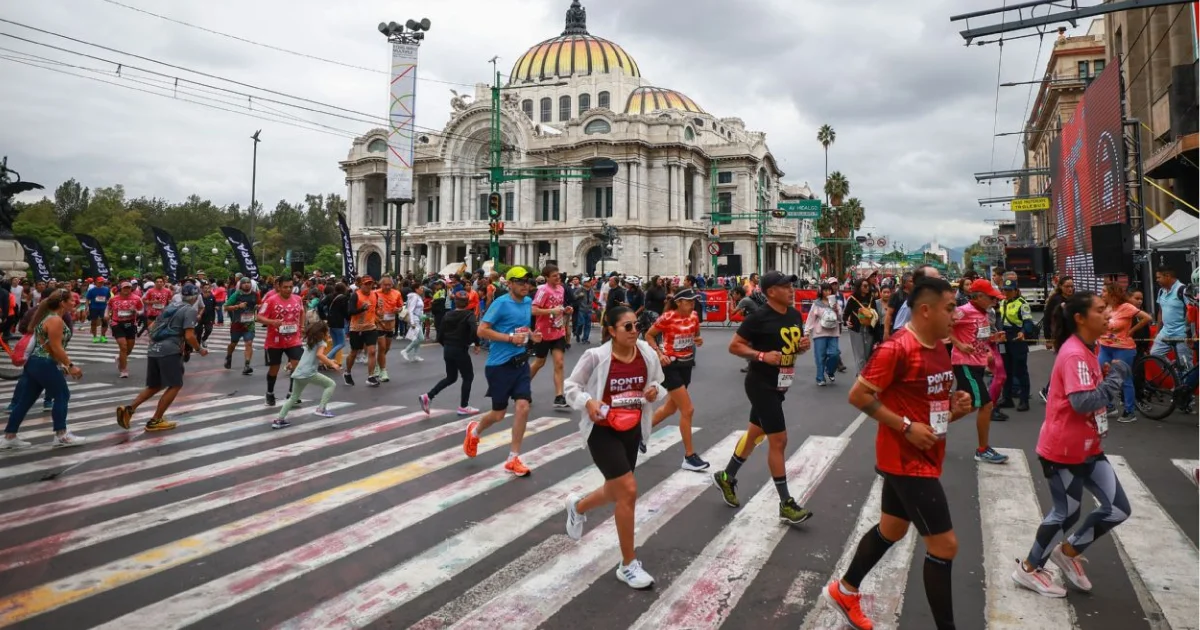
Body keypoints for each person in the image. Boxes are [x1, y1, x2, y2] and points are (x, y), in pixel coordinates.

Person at [827, 277, 975, 630]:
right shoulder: (896, 348)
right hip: (906, 461)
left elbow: (928, 402)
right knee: (945, 547)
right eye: (950, 308)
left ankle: (845, 591)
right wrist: (906, 426)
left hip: (927, 453)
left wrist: (956, 408)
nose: (956, 315)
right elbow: (858, 396)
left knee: (891, 529)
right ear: (925, 310)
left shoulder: (940, 345)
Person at [1012, 291, 1132, 598]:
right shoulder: (1076, 353)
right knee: (1066, 514)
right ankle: (1028, 569)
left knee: (1117, 509)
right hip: (1064, 450)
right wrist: (1115, 377)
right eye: (1101, 310)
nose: (1108, 315)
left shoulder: (1088, 348)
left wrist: (1105, 377)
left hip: (1089, 447)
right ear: (1080, 318)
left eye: (1107, 309)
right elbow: (1083, 402)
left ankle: (1068, 551)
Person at [563, 305, 666, 590]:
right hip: (602, 430)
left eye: (637, 326)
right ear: (610, 330)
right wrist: (588, 402)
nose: (635, 332)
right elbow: (570, 386)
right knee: (629, 491)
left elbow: (658, 382)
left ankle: (578, 506)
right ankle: (628, 564)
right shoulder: (595, 357)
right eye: (628, 327)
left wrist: (654, 391)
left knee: (617, 488)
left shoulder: (645, 352)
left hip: (632, 428)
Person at [712, 271, 814, 525]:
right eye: (785, 287)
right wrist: (760, 356)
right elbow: (734, 346)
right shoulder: (758, 317)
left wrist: (801, 347)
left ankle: (727, 476)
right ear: (771, 292)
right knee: (778, 439)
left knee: (755, 434)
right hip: (760, 384)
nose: (792, 290)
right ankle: (786, 503)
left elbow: (791, 347)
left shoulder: (793, 315)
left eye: (792, 286)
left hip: (781, 384)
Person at [463, 266, 543, 477]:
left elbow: (522, 326)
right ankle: (475, 431)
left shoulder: (527, 302)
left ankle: (513, 457)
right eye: (520, 282)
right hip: (499, 366)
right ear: (509, 284)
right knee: (498, 414)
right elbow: (482, 330)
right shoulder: (501, 304)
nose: (526, 285)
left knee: (523, 407)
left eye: (528, 282)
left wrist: (532, 335)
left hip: (521, 363)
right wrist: (509, 339)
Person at [116, 283, 208, 432]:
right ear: (196, 296)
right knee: (175, 384)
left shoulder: (169, 307)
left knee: (155, 385)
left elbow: (152, 327)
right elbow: (189, 335)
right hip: (170, 351)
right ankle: (155, 420)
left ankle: (129, 409)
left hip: (154, 349)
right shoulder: (190, 310)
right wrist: (199, 349)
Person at [2, 290, 86, 449]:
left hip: (36, 362)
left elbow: (46, 345)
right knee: (62, 395)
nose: (75, 302)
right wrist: (70, 365)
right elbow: (55, 346)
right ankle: (61, 435)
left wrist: (60, 363)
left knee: (26, 400)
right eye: (71, 300)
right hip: (43, 362)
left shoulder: (48, 318)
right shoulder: (55, 320)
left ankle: (9, 436)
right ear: (62, 303)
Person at [645, 287, 708, 471]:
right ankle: (689, 456)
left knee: (670, 408)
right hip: (670, 366)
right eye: (688, 301)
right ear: (679, 302)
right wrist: (659, 353)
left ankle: (640, 434)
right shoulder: (667, 318)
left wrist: (698, 340)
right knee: (687, 410)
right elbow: (649, 335)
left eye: (693, 301)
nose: (692, 304)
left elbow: (696, 335)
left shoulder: (694, 316)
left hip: (686, 365)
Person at [950, 279, 1010, 465]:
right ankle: (983, 449)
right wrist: (959, 344)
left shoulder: (984, 313)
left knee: (970, 406)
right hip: (964, 363)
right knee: (986, 404)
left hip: (976, 363)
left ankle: (933, 426)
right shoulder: (964, 311)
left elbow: (979, 339)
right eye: (991, 298)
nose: (994, 301)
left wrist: (993, 339)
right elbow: (944, 325)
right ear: (979, 296)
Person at [420, 290, 481, 416]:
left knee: (451, 377)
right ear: (468, 302)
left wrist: (446, 345)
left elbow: (440, 335)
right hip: (460, 349)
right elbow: (474, 330)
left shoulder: (447, 315)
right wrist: (474, 343)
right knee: (468, 377)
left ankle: (429, 396)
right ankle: (464, 406)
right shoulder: (469, 315)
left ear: (455, 302)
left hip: (448, 348)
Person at [1098, 282, 1151, 423]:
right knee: (1100, 375)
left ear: (1112, 293)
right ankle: (1109, 406)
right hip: (1105, 347)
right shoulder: (1104, 307)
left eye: (1104, 291)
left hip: (1123, 349)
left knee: (1125, 380)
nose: (1101, 293)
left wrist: (1131, 331)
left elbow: (1147, 318)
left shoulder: (1126, 307)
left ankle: (1129, 411)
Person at [273, 320, 340, 429]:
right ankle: (321, 409)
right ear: (322, 333)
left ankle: (279, 420)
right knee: (330, 384)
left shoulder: (310, 341)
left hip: (298, 373)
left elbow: (314, 357)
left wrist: (329, 360)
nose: (328, 334)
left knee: (293, 397)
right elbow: (319, 355)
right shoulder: (322, 343)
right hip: (309, 373)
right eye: (327, 332)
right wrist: (332, 364)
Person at [257, 276, 306, 406]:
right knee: (275, 368)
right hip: (275, 340)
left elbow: (302, 312)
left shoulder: (298, 299)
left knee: (298, 365)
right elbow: (259, 317)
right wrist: (272, 322)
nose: (288, 289)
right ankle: (270, 392)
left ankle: (292, 393)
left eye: (290, 287)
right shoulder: (271, 300)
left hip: (293, 339)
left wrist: (302, 327)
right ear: (278, 286)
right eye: (285, 287)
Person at [529, 264, 572, 409]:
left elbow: (559, 307)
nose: (558, 278)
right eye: (554, 276)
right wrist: (551, 310)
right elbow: (534, 310)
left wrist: (565, 310)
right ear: (547, 277)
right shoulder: (542, 290)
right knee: (539, 362)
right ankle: (522, 387)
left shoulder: (561, 289)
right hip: (543, 332)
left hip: (558, 331)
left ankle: (559, 396)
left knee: (559, 363)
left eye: (558, 275)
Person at [998, 279, 1037, 411]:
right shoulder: (1002, 302)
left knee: (1021, 371)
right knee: (1006, 371)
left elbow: (1028, 322)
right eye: (1005, 290)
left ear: (1015, 290)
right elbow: (1000, 320)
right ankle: (1007, 398)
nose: (1007, 292)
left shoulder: (1022, 304)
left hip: (1017, 338)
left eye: (1009, 290)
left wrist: (1023, 332)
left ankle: (1024, 400)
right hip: (1005, 338)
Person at [1039, 276, 1075, 402]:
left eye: (1072, 286)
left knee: (1069, 366)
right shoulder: (1056, 299)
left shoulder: (1073, 299)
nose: (1070, 289)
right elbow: (1047, 319)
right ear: (1060, 287)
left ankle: (1064, 391)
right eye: (1067, 286)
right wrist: (1048, 339)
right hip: (1061, 337)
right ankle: (1048, 390)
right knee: (1063, 365)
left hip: (1073, 336)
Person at [344, 276, 381, 387]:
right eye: (366, 284)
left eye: (370, 284)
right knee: (354, 352)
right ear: (361, 285)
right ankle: (347, 372)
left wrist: (380, 313)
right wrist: (362, 309)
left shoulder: (375, 295)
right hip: (357, 328)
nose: (369, 286)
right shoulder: (356, 295)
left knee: (372, 351)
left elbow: (376, 309)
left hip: (370, 327)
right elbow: (350, 312)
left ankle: (371, 376)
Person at [1151, 267, 1192, 368]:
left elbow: (1191, 311)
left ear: (1167, 276)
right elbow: (1160, 312)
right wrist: (1157, 332)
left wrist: (1189, 331)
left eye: (1158, 277)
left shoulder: (1183, 290)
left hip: (1182, 333)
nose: (1157, 280)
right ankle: (1175, 373)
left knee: (1185, 365)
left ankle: (1185, 381)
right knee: (1155, 354)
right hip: (1165, 332)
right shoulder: (1161, 291)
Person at [805, 283, 843, 386]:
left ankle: (830, 370)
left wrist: (836, 309)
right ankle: (820, 378)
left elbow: (840, 319)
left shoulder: (835, 303)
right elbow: (811, 318)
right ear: (821, 291)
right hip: (819, 333)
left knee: (834, 354)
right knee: (820, 356)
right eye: (825, 290)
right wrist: (807, 331)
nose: (827, 292)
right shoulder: (816, 303)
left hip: (833, 333)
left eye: (829, 290)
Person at [106, 281, 143, 379]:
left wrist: (136, 311)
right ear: (120, 289)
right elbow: (108, 307)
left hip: (130, 324)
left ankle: (120, 358)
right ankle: (123, 369)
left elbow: (142, 310)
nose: (126, 290)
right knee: (123, 346)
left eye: (128, 288)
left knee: (129, 349)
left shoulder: (137, 298)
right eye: (124, 288)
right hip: (117, 323)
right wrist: (106, 314)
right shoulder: (114, 299)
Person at [223, 277, 258, 375]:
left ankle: (247, 365)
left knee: (249, 343)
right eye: (244, 283)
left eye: (248, 283)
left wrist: (258, 307)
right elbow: (225, 307)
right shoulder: (236, 294)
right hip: (237, 323)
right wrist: (238, 306)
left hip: (249, 324)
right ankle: (229, 355)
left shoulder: (255, 295)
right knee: (233, 344)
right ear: (241, 285)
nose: (247, 284)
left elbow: (260, 304)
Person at [372, 276, 403, 381]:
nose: (388, 287)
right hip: (379, 323)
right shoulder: (375, 293)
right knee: (382, 347)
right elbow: (371, 308)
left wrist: (398, 309)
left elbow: (401, 306)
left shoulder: (397, 293)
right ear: (381, 285)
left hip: (391, 323)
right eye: (385, 285)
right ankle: (383, 371)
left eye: (390, 284)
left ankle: (377, 364)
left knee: (387, 348)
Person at [844, 279, 878, 373]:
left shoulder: (871, 298)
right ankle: (861, 378)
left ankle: (862, 375)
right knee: (860, 356)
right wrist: (846, 321)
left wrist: (877, 332)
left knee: (867, 355)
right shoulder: (852, 299)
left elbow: (876, 314)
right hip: (856, 330)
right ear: (859, 287)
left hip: (869, 330)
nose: (867, 288)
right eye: (865, 286)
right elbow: (846, 314)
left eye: (868, 286)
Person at [324, 282, 349, 367]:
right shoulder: (343, 298)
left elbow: (320, 304)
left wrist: (323, 316)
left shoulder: (330, 296)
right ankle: (328, 357)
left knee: (335, 343)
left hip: (330, 322)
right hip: (339, 322)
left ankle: (331, 363)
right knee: (342, 343)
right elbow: (346, 312)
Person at [401, 284, 426, 362]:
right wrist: (412, 322)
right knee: (421, 338)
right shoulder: (414, 297)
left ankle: (416, 355)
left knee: (418, 338)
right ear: (416, 289)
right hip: (414, 319)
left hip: (418, 318)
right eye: (421, 288)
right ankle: (406, 351)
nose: (422, 289)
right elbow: (411, 310)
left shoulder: (418, 297)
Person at [86, 277, 111, 343]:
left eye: (102, 282)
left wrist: (109, 307)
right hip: (94, 308)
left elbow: (108, 298)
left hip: (103, 308)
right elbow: (87, 299)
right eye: (99, 282)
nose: (101, 283)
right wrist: (87, 308)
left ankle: (102, 336)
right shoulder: (91, 290)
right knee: (94, 322)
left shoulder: (106, 289)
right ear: (96, 282)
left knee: (105, 322)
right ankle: (94, 336)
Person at [571, 277, 595, 344]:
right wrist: (579, 295)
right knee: (581, 323)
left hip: (589, 309)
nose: (589, 282)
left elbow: (594, 298)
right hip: (581, 309)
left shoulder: (591, 290)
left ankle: (585, 339)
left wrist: (598, 303)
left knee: (588, 325)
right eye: (588, 281)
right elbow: (573, 296)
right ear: (584, 283)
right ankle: (578, 333)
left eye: (590, 281)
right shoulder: (580, 289)